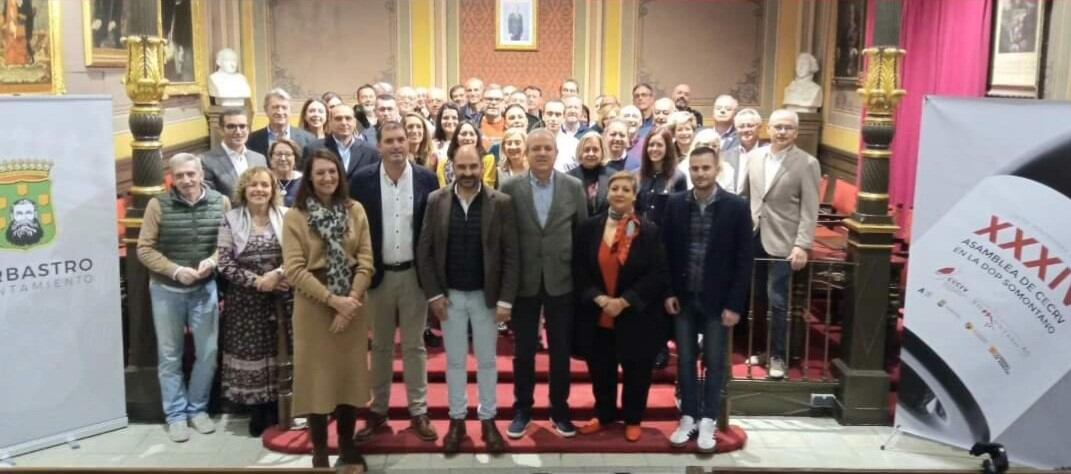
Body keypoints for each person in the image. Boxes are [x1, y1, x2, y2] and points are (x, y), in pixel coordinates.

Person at [417, 144, 519, 454]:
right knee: (456, 362)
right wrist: (433, 294)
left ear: (482, 167)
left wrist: (506, 301)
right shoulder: (437, 200)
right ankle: (457, 421)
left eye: (473, 167)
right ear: (452, 167)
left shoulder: (500, 202)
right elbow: (425, 251)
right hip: (449, 298)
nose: (468, 173)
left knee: (488, 362)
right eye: (462, 167)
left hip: (486, 299)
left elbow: (511, 255)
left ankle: (488, 421)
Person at [348, 121, 440, 445]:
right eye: (390, 140)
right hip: (378, 277)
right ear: (379, 146)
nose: (397, 145)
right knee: (382, 347)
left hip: (415, 276)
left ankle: (419, 411)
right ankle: (379, 410)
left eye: (402, 139)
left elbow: (435, 230)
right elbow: (352, 230)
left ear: (410, 143)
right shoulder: (361, 181)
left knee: (414, 347)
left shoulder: (427, 178)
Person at [281, 149, 374, 469]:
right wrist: (334, 301)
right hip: (314, 307)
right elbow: (294, 270)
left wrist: (350, 301)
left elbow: (366, 262)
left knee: (349, 378)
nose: (327, 178)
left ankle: (348, 448)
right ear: (309, 177)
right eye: (320, 173)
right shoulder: (296, 216)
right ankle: (320, 452)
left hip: (354, 300)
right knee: (316, 379)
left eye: (332, 172)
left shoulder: (355, 210)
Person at [663, 146, 753, 453]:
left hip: (719, 301)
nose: (700, 173)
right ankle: (688, 415)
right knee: (686, 361)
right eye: (696, 168)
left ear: (717, 169)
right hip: (685, 298)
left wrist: (735, 305)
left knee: (715, 362)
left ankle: (708, 419)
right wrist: (669, 292)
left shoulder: (736, 206)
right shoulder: (675, 204)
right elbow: (667, 254)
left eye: (706, 168)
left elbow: (744, 261)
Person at [500, 129, 589, 440]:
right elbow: (503, 238)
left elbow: (582, 237)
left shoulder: (573, 186)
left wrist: (582, 285)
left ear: (555, 152)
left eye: (547, 148)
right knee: (523, 352)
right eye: (535, 148)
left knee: (561, 352)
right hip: (523, 282)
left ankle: (560, 411)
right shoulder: (509, 186)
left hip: (561, 281)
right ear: (526, 152)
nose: (541, 153)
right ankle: (522, 409)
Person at [137, 153, 231, 443]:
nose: (186, 180)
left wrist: (212, 262)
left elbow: (227, 243)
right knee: (170, 356)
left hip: (205, 290)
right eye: (180, 176)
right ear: (172, 178)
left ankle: (197, 409)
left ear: (201, 174)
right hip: (167, 291)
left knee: (208, 353)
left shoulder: (221, 202)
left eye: (191, 174)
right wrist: (176, 271)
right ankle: (176, 415)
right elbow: (144, 249)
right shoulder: (158, 204)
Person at [573, 171, 668, 442]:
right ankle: (604, 414)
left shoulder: (648, 230)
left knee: (637, 369)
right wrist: (601, 299)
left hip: (635, 314)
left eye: (626, 189)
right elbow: (579, 269)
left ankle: (633, 418)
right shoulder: (589, 228)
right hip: (599, 313)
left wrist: (624, 301)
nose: (619, 193)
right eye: (615, 188)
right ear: (608, 192)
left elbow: (657, 274)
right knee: (601, 368)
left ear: (634, 195)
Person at [742, 109, 820, 380]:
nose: (782, 132)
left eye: (788, 127)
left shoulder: (807, 163)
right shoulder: (754, 157)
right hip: (754, 237)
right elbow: (746, 197)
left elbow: (810, 210)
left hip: (784, 243)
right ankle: (762, 350)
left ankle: (778, 356)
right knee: (758, 299)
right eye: (777, 127)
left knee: (778, 301)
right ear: (768, 129)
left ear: (796, 132)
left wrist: (802, 245)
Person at [216, 166, 292, 437]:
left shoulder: (287, 216)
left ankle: (280, 405)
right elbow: (223, 262)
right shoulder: (230, 219)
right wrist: (257, 282)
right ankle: (258, 410)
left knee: (279, 350)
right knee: (253, 353)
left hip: (282, 297)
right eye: (254, 185)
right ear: (244, 190)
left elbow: (298, 254)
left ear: (273, 190)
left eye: (265, 185)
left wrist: (278, 274)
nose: (259, 189)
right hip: (245, 301)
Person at [635, 126, 686, 370]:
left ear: (668, 148)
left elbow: (682, 213)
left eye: (659, 145)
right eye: (651, 145)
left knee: (662, 299)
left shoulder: (677, 177)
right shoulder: (638, 176)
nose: (655, 149)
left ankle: (661, 347)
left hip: (667, 247)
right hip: (641, 246)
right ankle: (642, 344)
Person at [304, 104, 381, 182]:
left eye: (348, 118)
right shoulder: (314, 149)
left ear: (354, 122)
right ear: (330, 122)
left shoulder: (370, 151)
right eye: (338, 119)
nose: (344, 123)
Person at [202, 109, 268, 200]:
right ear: (221, 130)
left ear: (248, 129)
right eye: (231, 126)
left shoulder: (259, 159)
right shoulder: (206, 160)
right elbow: (209, 197)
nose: (238, 131)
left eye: (242, 126)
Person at [248, 89, 316, 157]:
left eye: (284, 107)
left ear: (290, 111)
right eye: (275, 107)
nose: (280, 112)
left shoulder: (308, 139)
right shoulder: (252, 139)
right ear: (266, 110)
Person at [437, 121, 497, 189]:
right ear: (456, 138)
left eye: (472, 134)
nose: (468, 138)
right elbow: (442, 191)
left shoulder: (488, 160)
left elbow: (488, 188)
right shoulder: (443, 164)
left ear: (477, 138)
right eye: (463, 134)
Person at [718, 108, 763, 195]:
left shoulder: (768, 152)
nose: (745, 130)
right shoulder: (725, 157)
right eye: (741, 126)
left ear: (759, 127)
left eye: (750, 126)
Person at [568, 131, 613, 216]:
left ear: (602, 152)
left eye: (595, 150)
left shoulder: (613, 176)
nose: (591, 153)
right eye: (587, 150)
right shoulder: (569, 178)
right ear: (580, 152)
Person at [540, 100, 578, 172]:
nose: (553, 119)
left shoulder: (574, 144)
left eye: (558, 115)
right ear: (543, 116)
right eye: (549, 114)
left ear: (564, 117)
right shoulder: (533, 141)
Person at [268, 138, 304, 207]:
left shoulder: (304, 182)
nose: (283, 158)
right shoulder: (266, 180)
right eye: (278, 154)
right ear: (271, 159)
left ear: (295, 158)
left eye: (288, 154)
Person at [620, 105, 646, 171]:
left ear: (641, 122)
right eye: (626, 116)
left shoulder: (646, 145)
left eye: (634, 116)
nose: (631, 120)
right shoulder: (613, 143)